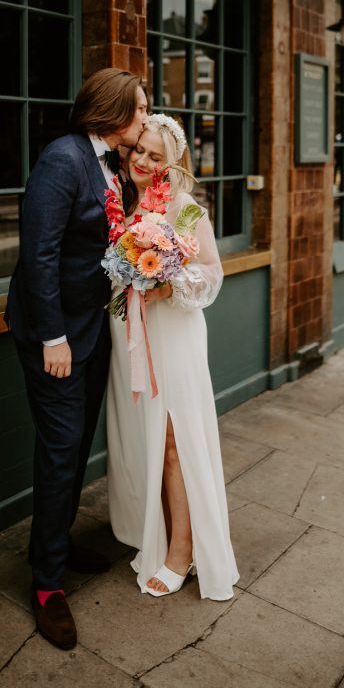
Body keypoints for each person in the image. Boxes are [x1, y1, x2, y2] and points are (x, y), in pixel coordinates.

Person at [6, 67, 148, 650]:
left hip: (94, 331)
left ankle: (56, 543)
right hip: (56, 336)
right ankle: (45, 586)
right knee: (62, 453)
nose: (145, 118)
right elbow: (38, 255)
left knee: (78, 443)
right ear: (113, 113)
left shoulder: (112, 164)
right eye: (139, 110)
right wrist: (53, 338)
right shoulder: (63, 159)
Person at [107, 114, 240, 599]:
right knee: (148, 442)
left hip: (174, 333)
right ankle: (158, 534)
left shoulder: (184, 209)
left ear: (172, 162)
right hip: (132, 335)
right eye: (139, 150)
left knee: (173, 442)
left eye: (155, 156)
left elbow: (211, 274)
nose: (142, 160)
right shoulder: (122, 202)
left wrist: (169, 284)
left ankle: (182, 551)